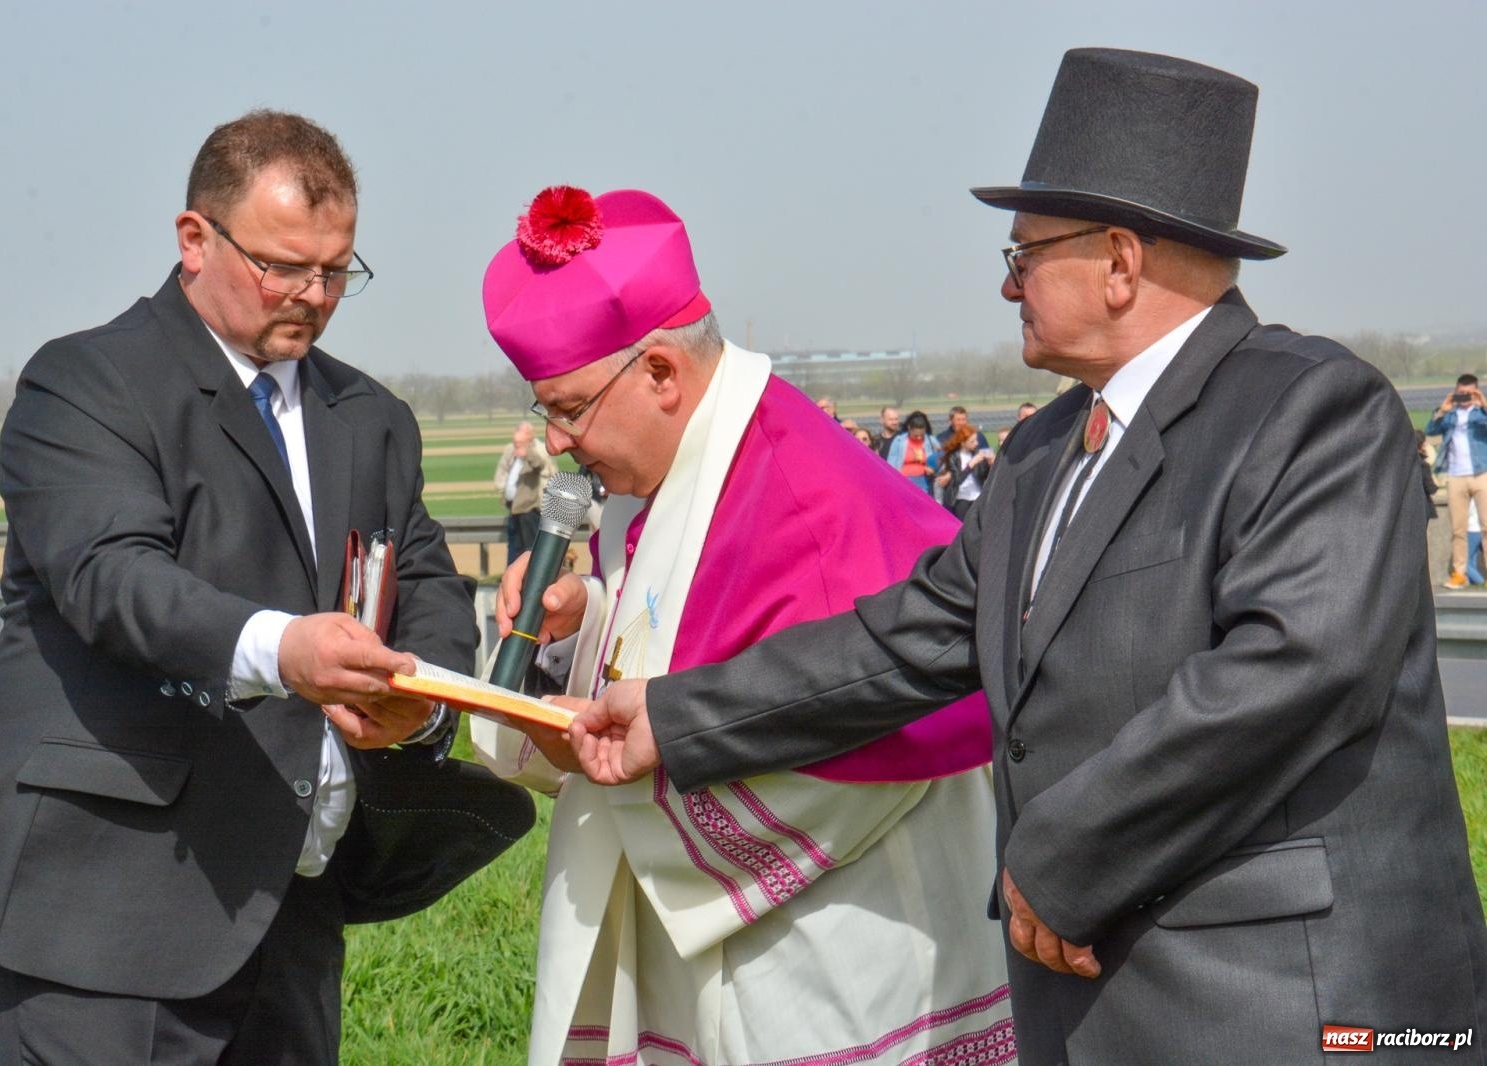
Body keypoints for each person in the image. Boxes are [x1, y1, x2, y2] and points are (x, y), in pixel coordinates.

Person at [564, 50, 1487, 1064]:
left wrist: (1059, 852)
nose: (1005, 283)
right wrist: (673, 714)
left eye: (1023, 254)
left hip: (1286, 1006)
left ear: (1121, 261)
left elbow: (1293, 671)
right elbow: (909, 639)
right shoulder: (1042, 453)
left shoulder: (1310, 409)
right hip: (1089, 1005)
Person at [0, 111, 480, 1063]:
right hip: (100, 905)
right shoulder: (86, 384)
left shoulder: (372, 417)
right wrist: (285, 650)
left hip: (288, 904)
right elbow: (110, 576)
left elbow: (426, 580)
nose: (315, 295)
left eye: (338, 270)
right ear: (194, 239)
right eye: (285, 266)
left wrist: (425, 702)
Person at [474, 185, 1010, 1065]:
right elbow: (680, 637)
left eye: (568, 408)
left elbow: (860, 740)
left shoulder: (804, 500)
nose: (557, 443)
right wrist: (581, 626)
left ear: (659, 373)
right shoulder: (676, 460)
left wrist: (637, 759)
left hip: (842, 953)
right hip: (720, 949)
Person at [1425, 373, 1487, 589]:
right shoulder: (1450, 416)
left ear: (1476, 392)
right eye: (1461, 393)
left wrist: (1483, 404)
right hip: (1455, 475)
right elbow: (1430, 430)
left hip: (1481, 474)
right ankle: (1459, 573)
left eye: (1469, 393)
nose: (1464, 397)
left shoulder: (1481, 414)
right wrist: (1443, 409)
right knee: (1458, 529)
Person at [494, 419, 559, 563]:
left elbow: (540, 465)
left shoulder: (536, 451)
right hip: (514, 507)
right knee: (514, 547)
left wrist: (526, 453)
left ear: (529, 438)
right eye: (515, 442)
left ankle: (527, 579)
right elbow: (503, 472)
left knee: (529, 548)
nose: (516, 445)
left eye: (519, 442)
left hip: (530, 508)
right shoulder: (511, 452)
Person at [938, 423, 994, 519]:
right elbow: (957, 480)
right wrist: (970, 465)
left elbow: (984, 475)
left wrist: (990, 464)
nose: (976, 443)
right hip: (961, 498)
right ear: (963, 442)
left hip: (976, 495)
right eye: (972, 441)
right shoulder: (954, 457)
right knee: (962, 525)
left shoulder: (977, 453)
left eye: (976, 440)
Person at [885, 408, 937, 493]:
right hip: (904, 481)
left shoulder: (931, 441)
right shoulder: (899, 441)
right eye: (916, 435)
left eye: (921, 435)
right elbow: (891, 463)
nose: (919, 438)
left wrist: (934, 469)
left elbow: (941, 458)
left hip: (925, 481)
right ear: (909, 428)